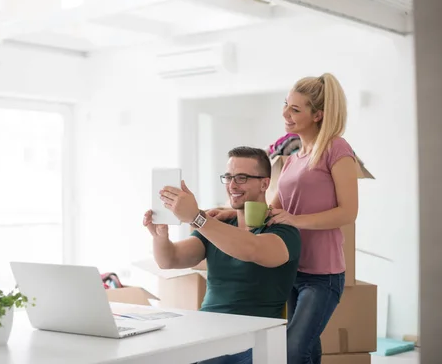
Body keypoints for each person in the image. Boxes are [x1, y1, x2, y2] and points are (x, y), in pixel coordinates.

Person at [209, 73, 358, 364]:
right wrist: (231, 211)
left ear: (319, 115)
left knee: (293, 349)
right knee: (307, 348)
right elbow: (272, 209)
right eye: (286, 105)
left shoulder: (336, 149)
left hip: (322, 275)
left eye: (295, 109)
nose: (285, 114)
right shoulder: (292, 158)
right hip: (292, 268)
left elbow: (348, 212)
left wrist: (295, 220)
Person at [143, 146, 301, 364]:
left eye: (242, 178)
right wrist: (160, 236)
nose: (232, 185)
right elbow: (171, 259)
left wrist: (197, 218)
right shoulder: (217, 226)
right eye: (228, 177)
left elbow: (251, 249)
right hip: (207, 335)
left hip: (254, 341)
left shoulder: (283, 231)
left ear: (264, 183)